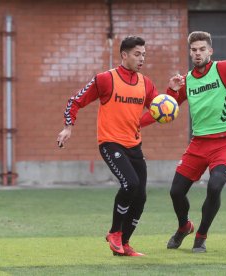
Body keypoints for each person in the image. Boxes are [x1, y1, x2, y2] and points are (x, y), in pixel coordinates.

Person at [142, 31, 226, 253]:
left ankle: (200, 236)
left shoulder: (225, 69)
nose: (197, 53)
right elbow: (164, 108)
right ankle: (184, 227)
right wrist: (171, 90)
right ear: (190, 52)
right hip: (198, 144)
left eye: (202, 49)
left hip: (225, 142)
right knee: (176, 192)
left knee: (215, 186)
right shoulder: (187, 80)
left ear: (210, 51)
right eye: (194, 50)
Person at [57, 36, 164, 257]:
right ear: (124, 55)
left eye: (144, 54)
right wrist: (68, 127)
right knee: (130, 184)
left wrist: (171, 93)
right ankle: (115, 232)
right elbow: (74, 101)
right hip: (110, 142)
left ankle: (123, 244)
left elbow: (160, 110)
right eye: (137, 54)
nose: (141, 58)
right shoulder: (106, 79)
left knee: (141, 196)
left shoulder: (146, 83)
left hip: (135, 145)